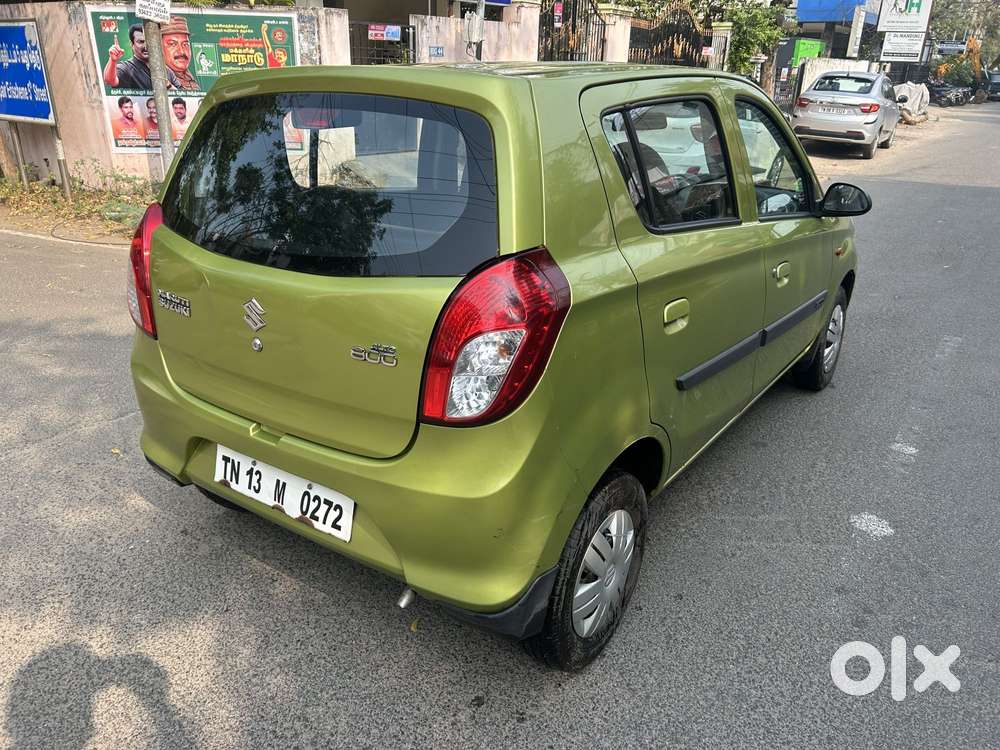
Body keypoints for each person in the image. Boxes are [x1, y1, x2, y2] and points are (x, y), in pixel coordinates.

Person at [102, 23, 179, 91]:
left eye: (149, 41)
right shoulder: (127, 68)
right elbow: (110, 80)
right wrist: (112, 60)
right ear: (131, 44)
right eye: (141, 42)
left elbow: (182, 96)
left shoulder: (167, 71)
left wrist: (168, 85)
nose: (146, 46)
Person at [160, 16, 199, 91]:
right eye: (172, 44)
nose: (181, 51)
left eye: (185, 44)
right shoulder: (157, 78)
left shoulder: (190, 79)